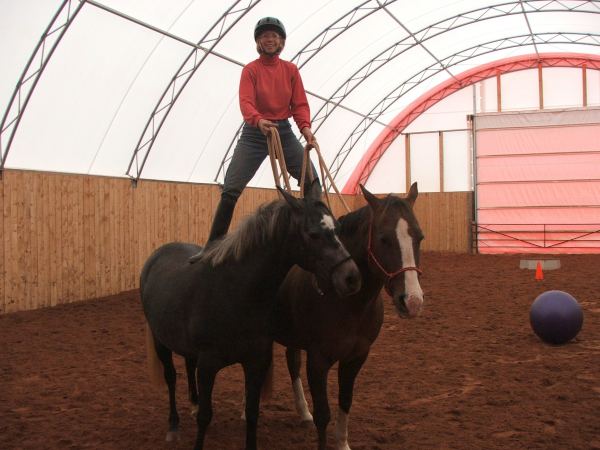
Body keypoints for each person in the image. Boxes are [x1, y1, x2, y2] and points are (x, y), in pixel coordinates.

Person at [190, 17, 319, 263]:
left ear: (281, 41)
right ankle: (211, 247)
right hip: (255, 133)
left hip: (283, 129)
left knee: (311, 180)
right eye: (264, 36)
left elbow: (300, 104)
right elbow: (246, 102)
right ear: (258, 42)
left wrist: (306, 129)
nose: (269, 40)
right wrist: (258, 121)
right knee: (231, 187)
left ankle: (313, 238)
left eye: (274, 36)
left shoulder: (290, 71)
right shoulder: (251, 70)